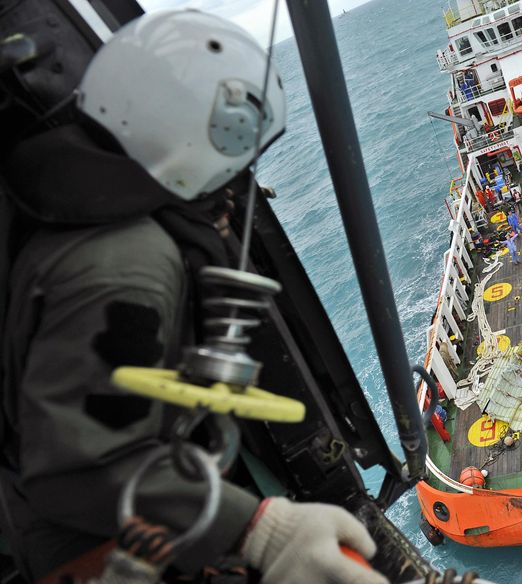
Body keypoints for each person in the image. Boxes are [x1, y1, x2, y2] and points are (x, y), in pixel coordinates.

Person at [0, 11, 386, 584]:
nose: (238, 173)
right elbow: (80, 470)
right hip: (87, 544)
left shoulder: (81, 212)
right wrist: (260, 528)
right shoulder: (127, 261)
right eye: (231, 143)